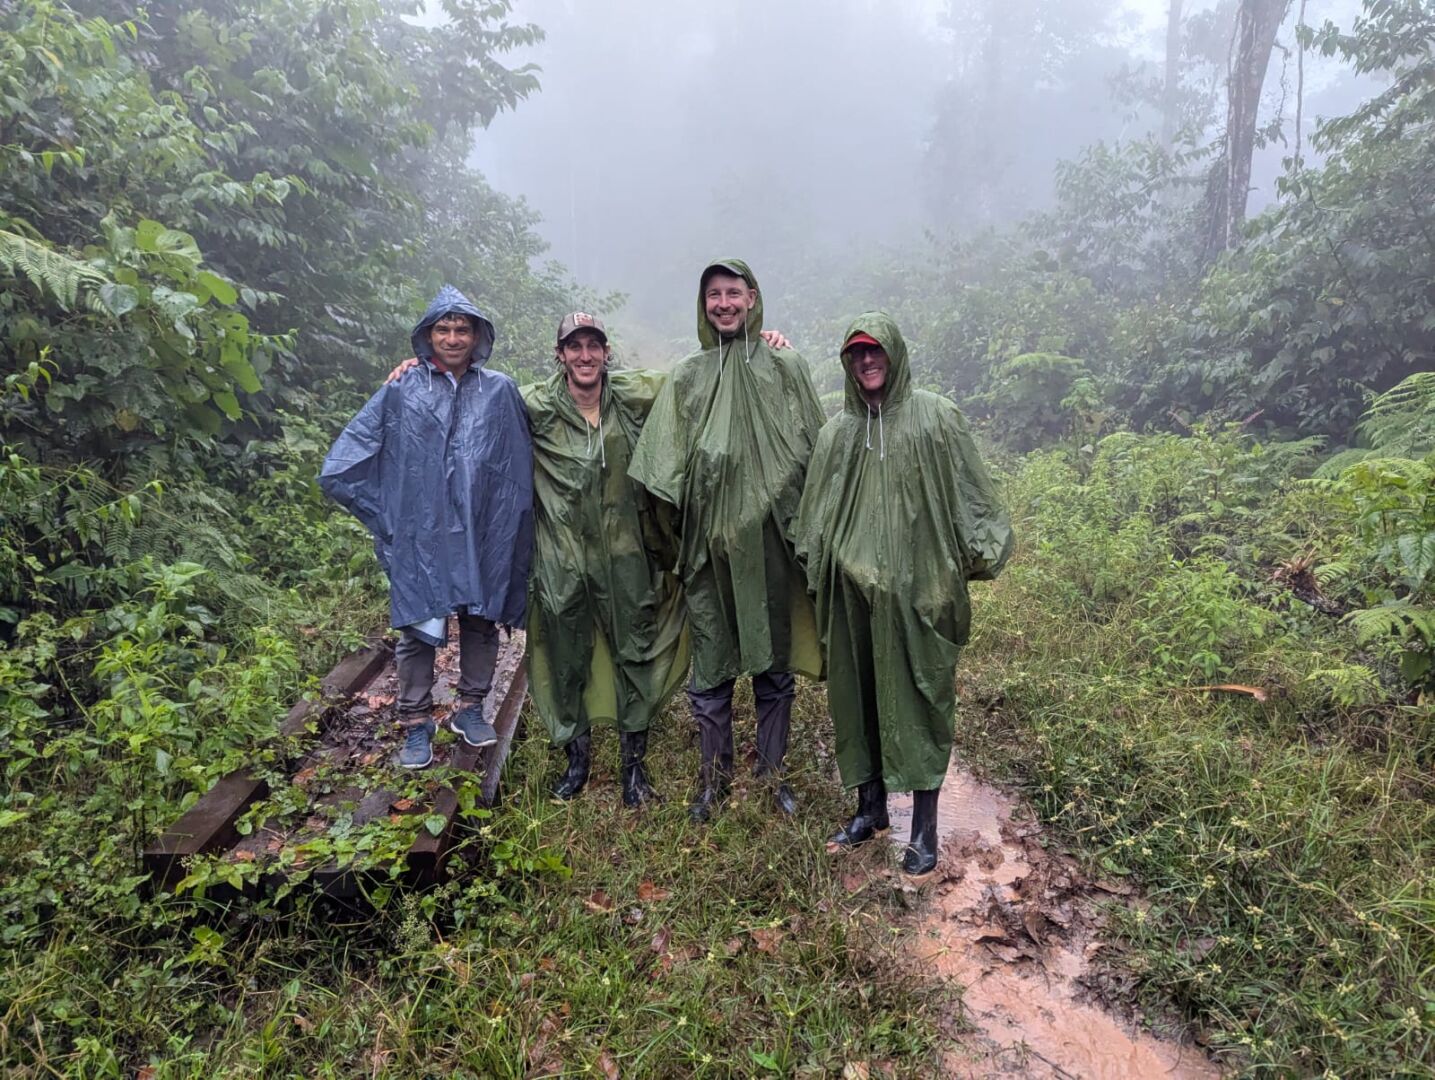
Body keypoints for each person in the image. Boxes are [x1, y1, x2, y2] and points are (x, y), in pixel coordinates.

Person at [794, 313, 1013, 876]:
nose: (868, 362)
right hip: (851, 601)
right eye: (857, 354)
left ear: (894, 355)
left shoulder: (935, 418)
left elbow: (974, 498)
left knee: (919, 702)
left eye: (876, 352)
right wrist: (823, 570)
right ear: (847, 363)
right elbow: (813, 519)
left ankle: (923, 828)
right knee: (856, 698)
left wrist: (952, 576)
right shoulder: (836, 436)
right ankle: (870, 811)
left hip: (918, 597)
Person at [628, 259, 825, 821]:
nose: (723, 303)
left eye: (733, 293)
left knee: (773, 667)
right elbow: (659, 466)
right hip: (709, 555)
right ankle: (713, 782)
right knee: (710, 670)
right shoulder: (689, 377)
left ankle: (772, 779)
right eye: (713, 295)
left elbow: (817, 451)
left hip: (771, 552)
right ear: (702, 304)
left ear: (752, 297)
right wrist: (675, 546)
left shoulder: (785, 366)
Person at [320, 285, 534, 769]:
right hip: (424, 535)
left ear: (478, 335)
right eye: (444, 328)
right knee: (418, 627)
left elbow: (522, 458)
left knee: (480, 619)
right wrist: (391, 520)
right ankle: (417, 723)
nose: (453, 337)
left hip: (481, 530)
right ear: (428, 334)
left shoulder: (499, 390)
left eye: (463, 329)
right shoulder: (402, 388)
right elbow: (343, 464)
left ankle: (470, 708)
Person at [522, 313, 690, 805]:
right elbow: (478, 395)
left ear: (606, 352)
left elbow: (693, 378)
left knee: (634, 652)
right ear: (560, 355)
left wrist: (756, 340)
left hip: (624, 554)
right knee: (565, 652)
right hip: (562, 555)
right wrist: (423, 365)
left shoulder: (629, 396)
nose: (585, 355)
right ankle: (577, 764)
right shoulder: (536, 404)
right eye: (574, 346)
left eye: (593, 345)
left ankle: (634, 771)